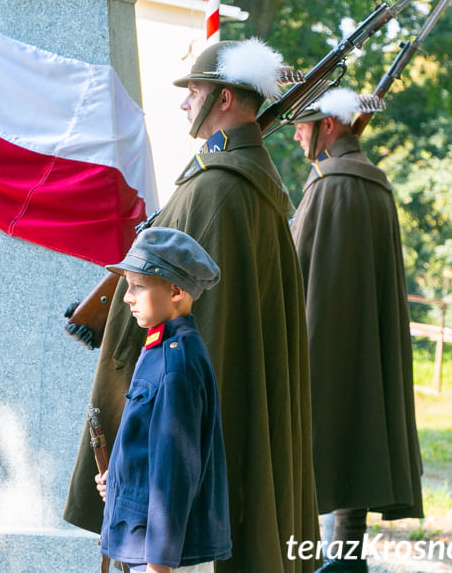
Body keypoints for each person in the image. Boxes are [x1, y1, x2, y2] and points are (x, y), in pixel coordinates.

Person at [64, 40, 319, 573]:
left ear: (223, 99)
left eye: (194, 93)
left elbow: (188, 330)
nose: (184, 104)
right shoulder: (239, 178)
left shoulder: (218, 188)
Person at [289, 88, 424, 573]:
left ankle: (314, 554)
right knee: (359, 422)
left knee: (317, 432)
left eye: (304, 123)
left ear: (330, 125)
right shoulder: (374, 182)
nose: (298, 132)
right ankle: (345, 552)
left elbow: (295, 267)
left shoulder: (329, 184)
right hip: (361, 339)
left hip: (319, 338)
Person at [94, 228, 229, 573]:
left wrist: (159, 565)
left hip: (161, 556)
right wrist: (120, 478)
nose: (126, 297)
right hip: (149, 545)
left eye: (138, 286)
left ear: (176, 290)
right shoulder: (161, 348)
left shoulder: (175, 364)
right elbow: (151, 449)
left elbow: (174, 473)